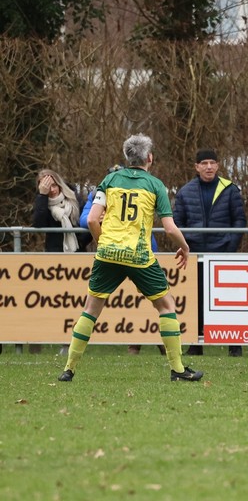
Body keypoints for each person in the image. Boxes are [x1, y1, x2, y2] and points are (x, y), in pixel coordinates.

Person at [57, 133, 203, 382]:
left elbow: (91, 219)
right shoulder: (155, 185)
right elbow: (169, 228)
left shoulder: (109, 180)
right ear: (150, 158)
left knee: (90, 310)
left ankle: (68, 369)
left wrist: (103, 243)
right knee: (166, 306)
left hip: (108, 254)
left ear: (127, 157)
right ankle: (178, 370)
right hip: (139, 255)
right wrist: (185, 247)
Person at [80, 164, 165, 357]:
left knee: (94, 308)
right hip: (126, 254)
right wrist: (102, 215)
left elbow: (90, 219)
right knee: (161, 303)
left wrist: (101, 231)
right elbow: (86, 219)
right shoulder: (102, 192)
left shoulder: (136, 189)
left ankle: (70, 366)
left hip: (130, 252)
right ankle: (140, 346)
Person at [174, 149, 247, 358]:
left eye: (212, 163)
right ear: (196, 167)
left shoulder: (230, 189)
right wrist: (186, 246)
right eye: (204, 163)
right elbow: (177, 222)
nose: (208, 167)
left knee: (230, 300)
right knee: (197, 299)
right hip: (196, 254)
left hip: (223, 252)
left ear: (218, 165)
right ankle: (195, 344)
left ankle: (234, 345)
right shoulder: (185, 191)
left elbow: (239, 220)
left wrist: (230, 248)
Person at [31, 169, 83, 355]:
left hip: (77, 259)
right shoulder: (42, 202)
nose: (52, 189)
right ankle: (38, 343)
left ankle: (70, 342)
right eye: (46, 186)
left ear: (59, 183)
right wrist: (42, 196)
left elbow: (84, 228)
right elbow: (38, 224)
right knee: (53, 301)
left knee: (74, 302)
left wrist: (79, 244)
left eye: (53, 185)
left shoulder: (74, 198)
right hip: (54, 260)